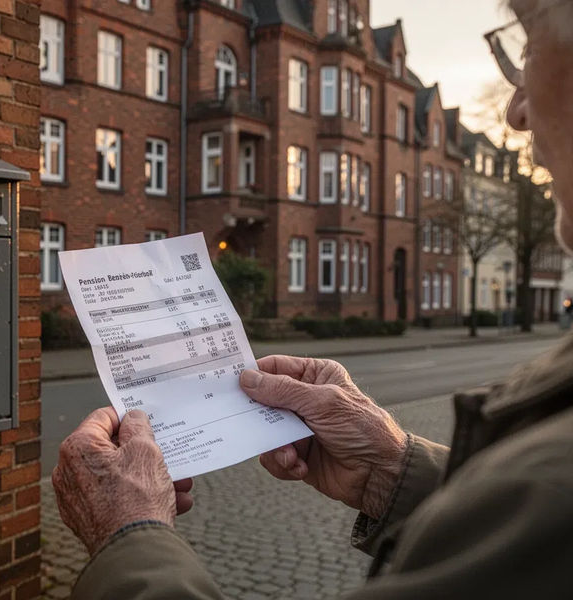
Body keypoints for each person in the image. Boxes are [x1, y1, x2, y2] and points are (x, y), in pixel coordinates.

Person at [52, 1, 573, 597]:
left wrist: (130, 535)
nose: (517, 108)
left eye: (528, 47)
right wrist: (391, 470)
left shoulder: (555, 488)